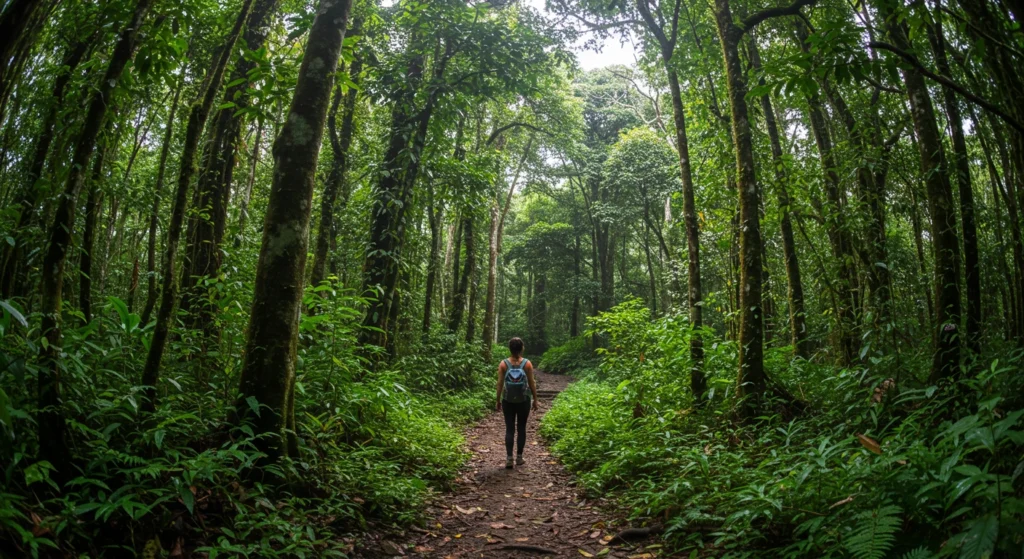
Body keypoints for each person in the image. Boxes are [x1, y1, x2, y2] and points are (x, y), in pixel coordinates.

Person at [496, 337, 539, 469]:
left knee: (509, 428)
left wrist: (498, 400)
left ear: (510, 348)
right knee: (521, 427)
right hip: (523, 400)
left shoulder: (503, 364)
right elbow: (532, 383)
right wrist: (535, 399)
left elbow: (500, 383)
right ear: (522, 348)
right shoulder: (527, 364)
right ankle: (519, 458)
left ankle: (509, 459)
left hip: (508, 400)